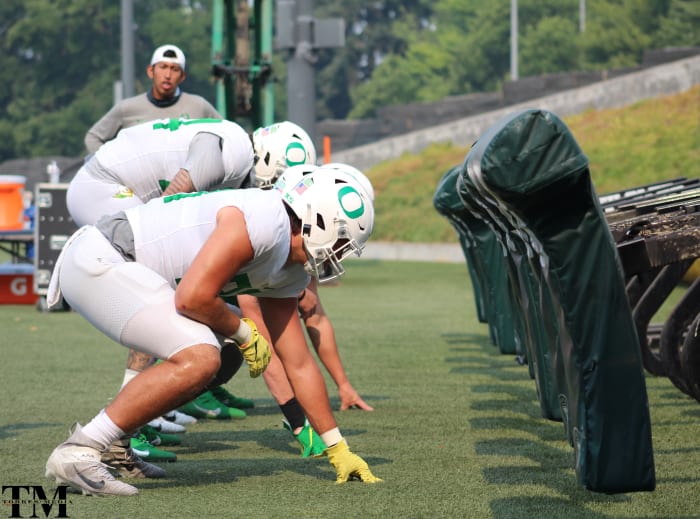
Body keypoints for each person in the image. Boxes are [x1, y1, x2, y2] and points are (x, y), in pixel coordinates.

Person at [44, 168, 382, 496]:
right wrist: (245, 333)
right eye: (341, 241)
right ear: (318, 220)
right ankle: (80, 451)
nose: (339, 254)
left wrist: (338, 447)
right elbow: (192, 298)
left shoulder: (289, 268)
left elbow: (299, 363)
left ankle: (115, 441)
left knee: (226, 355)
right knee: (203, 356)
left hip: (127, 269)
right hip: (103, 259)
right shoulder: (265, 220)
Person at [84, 44, 221, 154]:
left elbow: (230, 136)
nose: (168, 75)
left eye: (174, 69)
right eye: (163, 67)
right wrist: (112, 167)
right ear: (151, 71)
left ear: (182, 76)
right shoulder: (127, 108)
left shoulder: (198, 106)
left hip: (187, 186)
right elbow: (93, 138)